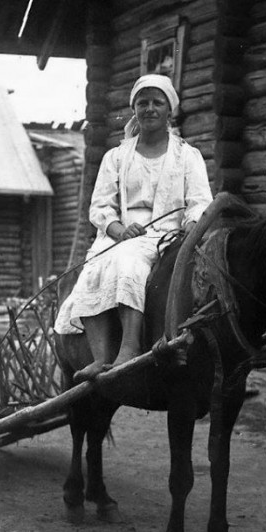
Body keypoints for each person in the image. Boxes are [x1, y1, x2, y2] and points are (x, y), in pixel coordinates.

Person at [54, 74, 213, 381]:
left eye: (157, 102)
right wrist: (117, 229)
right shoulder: (116, 157)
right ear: (134, 109)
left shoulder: (186, 156)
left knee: (130, 262)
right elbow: (100, 205)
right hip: (122, 234)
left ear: (170, 110)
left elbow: (198, 201)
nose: (149, 108)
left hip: (168, 236)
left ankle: (128, 348)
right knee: (94, 267)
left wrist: (192, 227)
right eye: (143, 103)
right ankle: (100, 357)